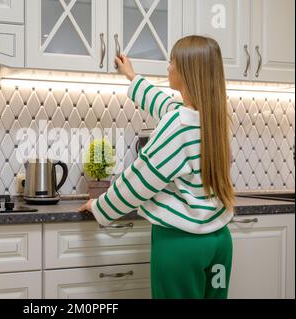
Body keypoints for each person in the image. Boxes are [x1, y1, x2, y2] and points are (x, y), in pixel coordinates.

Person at [79, 35, 235, 299]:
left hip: (181, 246)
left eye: (172, 62)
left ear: (186, 71)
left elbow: (139, 181)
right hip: (219, 242)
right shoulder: (214, 119)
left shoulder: (177, 126)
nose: (168, 67)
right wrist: (132, 77)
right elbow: (165, 104)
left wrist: (99, 206)